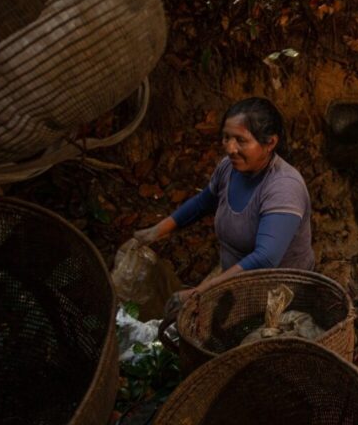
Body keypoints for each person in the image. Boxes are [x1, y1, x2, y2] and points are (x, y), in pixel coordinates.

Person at [134, 97, 314, 312]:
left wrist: (199, 292)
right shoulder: (229, 168)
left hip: (279, 295)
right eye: (226, 138)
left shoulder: (284, 187)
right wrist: (158, 230)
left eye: (241, 140)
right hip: (237, 282)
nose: (230, 148)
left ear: (270, 143)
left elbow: (265, 258)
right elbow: (204, 202)